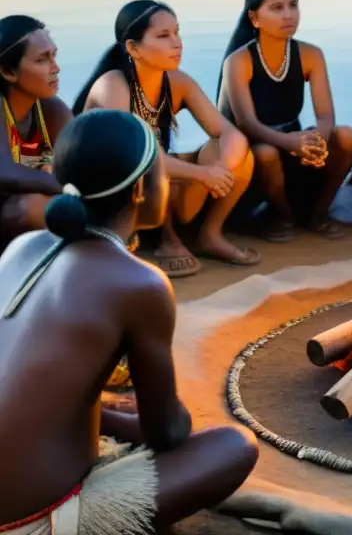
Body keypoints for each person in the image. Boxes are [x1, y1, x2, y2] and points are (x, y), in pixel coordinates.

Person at [0, 109, 258, 534]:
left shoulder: (23, 245)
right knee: (234, 445)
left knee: (110, 411)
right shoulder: (139, 283)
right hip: (25, 521)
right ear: (140, 189)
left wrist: (112, 413)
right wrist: (170, 418)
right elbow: (167, 433)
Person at [74, 0, 259, 278]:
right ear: (133, 48)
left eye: (177, 32)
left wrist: (222, 168)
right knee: (155, 164)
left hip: (153, 179)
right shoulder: (113, 85)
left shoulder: (177, 81)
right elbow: (138, 156)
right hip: (112, 190)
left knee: (241, 156)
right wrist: (203, 173)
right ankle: (162, 242)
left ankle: (209, 235)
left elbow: (226, 131)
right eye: (163, 36)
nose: (177, 43)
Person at [218, 0, 352, 242]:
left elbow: (325, 115)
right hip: (252, 151)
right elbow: (246, 123)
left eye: (293, 6)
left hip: (293, 145)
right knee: (267, 153)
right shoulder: (238, 61)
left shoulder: (310, 54)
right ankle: (280, 215)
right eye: (277, 8)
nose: (288, 15)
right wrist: (290, 142)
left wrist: (319, 142)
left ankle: (317, 214)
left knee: (347, 136)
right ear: (255, 18)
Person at [0, 15, 72, 250]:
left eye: (54, 56)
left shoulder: (53, 109)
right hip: (11, 215)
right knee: (34, 207)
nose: (56, 68)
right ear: (8, 71)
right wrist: (69, 188)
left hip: (19, 221)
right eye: (43, 60)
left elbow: (75, 165)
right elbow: (5, 173)